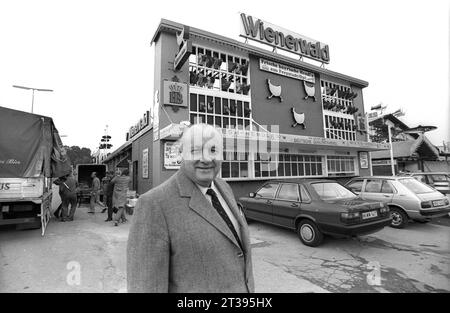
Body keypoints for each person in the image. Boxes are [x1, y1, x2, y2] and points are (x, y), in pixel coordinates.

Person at [127, 123, 254, 293]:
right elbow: (145, 287)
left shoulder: (224, 188)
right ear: (181, 154)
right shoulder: (153, 204)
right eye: (195, 151)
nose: (206, 158)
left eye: (213, 150)